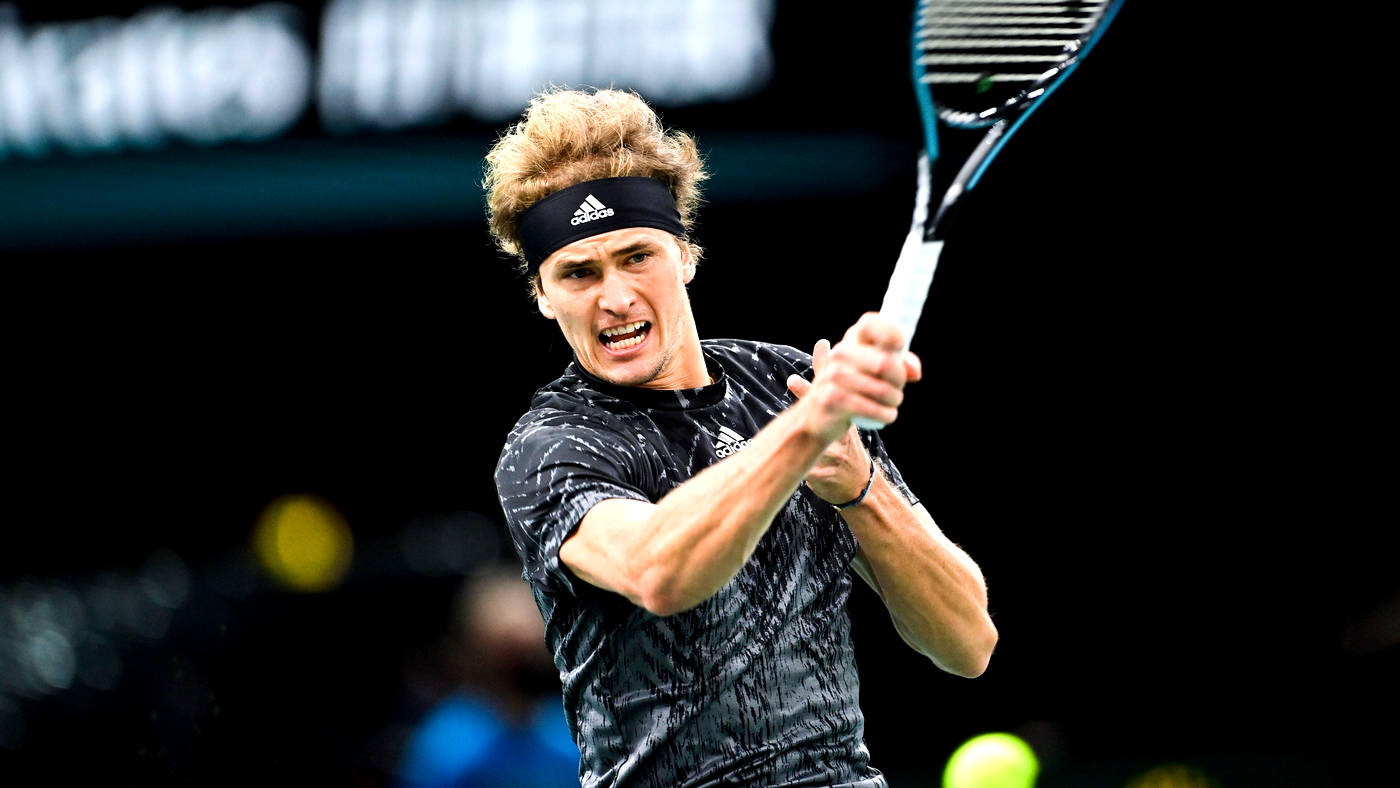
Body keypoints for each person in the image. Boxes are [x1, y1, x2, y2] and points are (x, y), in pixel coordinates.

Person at [490, 87, 997, 788]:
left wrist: (859, 487)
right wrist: (805, 433)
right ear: (543, 296)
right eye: (579, 272)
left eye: (637, 256)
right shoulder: (550, 445)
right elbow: (657, 573)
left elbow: (967, 642)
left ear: (685, 255)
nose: (615, 297)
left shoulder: (787, 385)